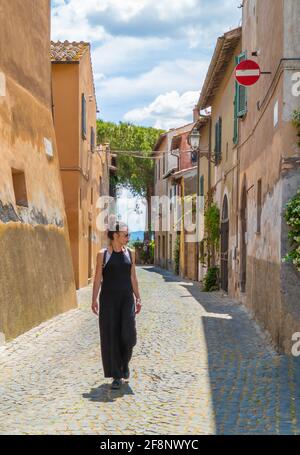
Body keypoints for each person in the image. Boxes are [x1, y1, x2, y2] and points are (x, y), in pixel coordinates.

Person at [91, 220, 142, 390]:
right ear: (115, 235)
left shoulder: (131, 253)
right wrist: (94, 299)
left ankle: (124, 363)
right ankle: (116, 374)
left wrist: (138, 298)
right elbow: (98, 278)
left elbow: (133, 277)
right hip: (108, 300)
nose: (128, 237)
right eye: (126, 235)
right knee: (111, 336)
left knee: (129, 335)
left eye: (128, 235)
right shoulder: (103, 254)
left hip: (126, 299)